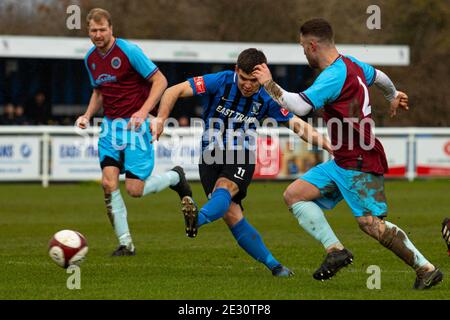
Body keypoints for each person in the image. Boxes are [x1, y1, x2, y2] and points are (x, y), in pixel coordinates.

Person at [252, 18, 443, 289]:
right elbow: (380, 77)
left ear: (313, 45)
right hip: (343, 160)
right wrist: (392, 95)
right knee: (294, 195)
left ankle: (426, 268)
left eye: (303, 47)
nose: (303, 52)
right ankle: (336, 251)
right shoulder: (351, 64)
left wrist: (269, 84)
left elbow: (300, 106)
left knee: (371, 224)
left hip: (359, 160)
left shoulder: (332, 76)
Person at [152, 48, 332, 277]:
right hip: (209, 154)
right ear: (236, 71)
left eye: (253, 81)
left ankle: (198, 218)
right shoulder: (220, 81)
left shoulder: (269, 96)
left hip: (241, 152)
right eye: (244, 79)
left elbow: (297, 124)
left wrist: (328, 145)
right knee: (232, 214)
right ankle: (275, 267)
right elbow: (173, 90)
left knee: (225, 189)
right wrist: (161, 119)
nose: (248, 85)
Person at [76, 8, 193, 256]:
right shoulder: (90, 59)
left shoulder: (129, 51)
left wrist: (143, 111)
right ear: (88, 31)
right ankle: (126, 244)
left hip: (135, 127)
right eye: (93, 30)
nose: (98, 35)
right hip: (109, 128)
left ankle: (175, 177)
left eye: (102, 29)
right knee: (108, 184)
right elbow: (99, 91)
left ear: (111, 29)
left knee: (134, 190)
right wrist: (87, 115)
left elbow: (160, 81)